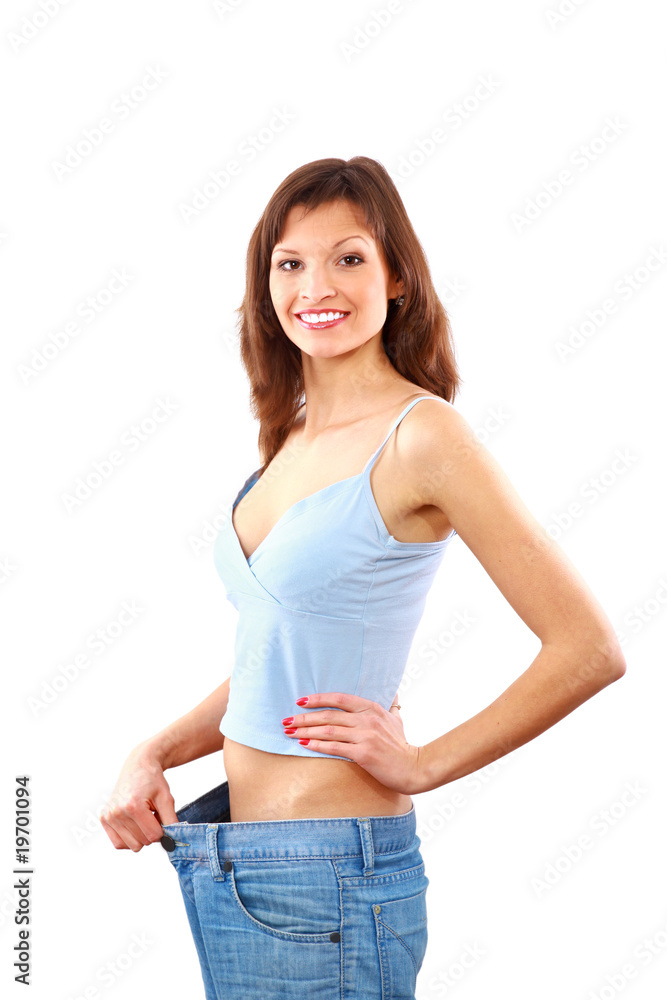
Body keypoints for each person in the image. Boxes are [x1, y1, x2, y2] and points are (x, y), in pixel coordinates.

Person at [100, 156, 626, 998]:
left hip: (331, 880)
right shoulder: (288, 444)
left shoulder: (424, 437)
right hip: (230, 862)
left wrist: (422, 764)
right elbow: (270, 659)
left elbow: (588, 650)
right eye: (290, 261)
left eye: (348, 258)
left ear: (398, 279)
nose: (318, 285)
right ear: (266, 283)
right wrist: (154, 750)